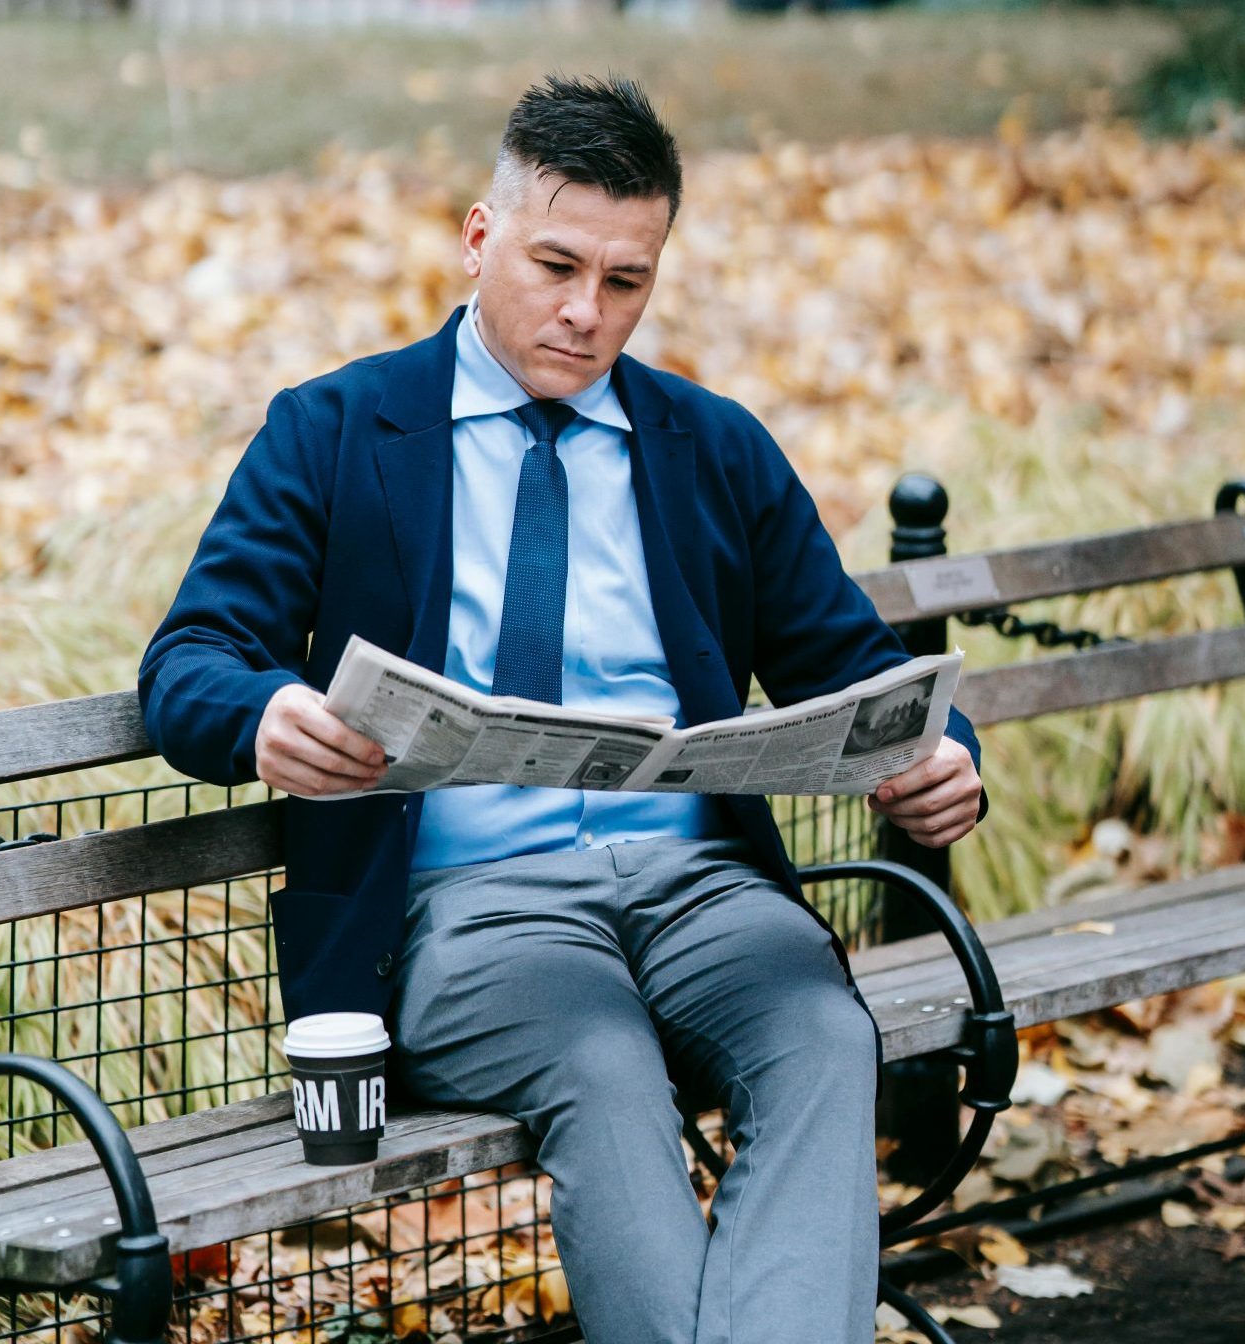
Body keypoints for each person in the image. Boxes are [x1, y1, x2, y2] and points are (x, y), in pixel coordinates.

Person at [139, 73, 985, 1344]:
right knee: (602, 1065)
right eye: (556, 266)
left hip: (699, 888)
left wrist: (940, 756)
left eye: (627, 281)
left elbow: (857, 667)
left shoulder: (710, 446)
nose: (588, 313)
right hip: (472, 912)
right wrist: (263, 713)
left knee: (822, 1031)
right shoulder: (337, 430)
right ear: (479, 239)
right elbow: (190, 657)